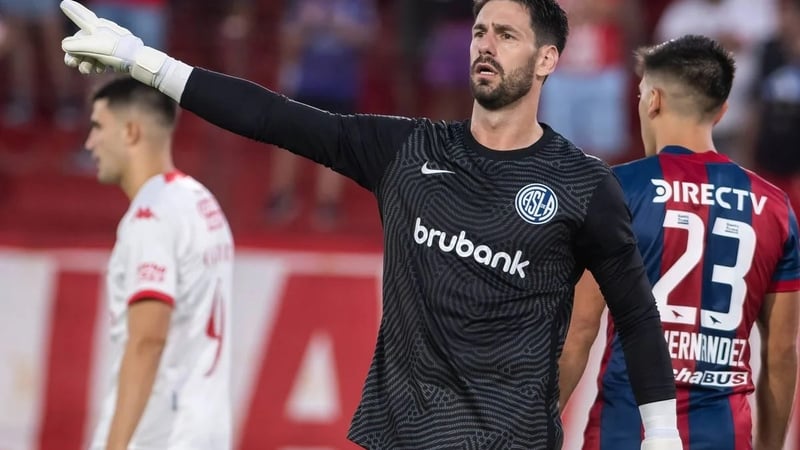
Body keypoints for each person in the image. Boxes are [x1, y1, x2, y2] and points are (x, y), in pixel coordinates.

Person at [58, 0, 682, 448]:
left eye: (507, 35)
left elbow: (635, 314)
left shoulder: (582, 184)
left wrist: (661, 433)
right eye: (479, 31)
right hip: (399, 436)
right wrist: (142, 60)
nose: (486, 45)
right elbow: (270, 117)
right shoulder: (406, 151)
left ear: (547, 59)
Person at [559, 35, 800, 449]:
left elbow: (579, 330)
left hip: (624, 433)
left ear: (653, 100)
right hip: (723, 436)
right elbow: (780, 353)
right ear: (721, 112)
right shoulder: (774, 207)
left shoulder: (619, 190)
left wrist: (532, 431)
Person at [83, 77, 234, 450]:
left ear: (130, 132)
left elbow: (148, 339)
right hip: (207, 428)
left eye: (98, 127)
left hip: (158, 434)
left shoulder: (151, 216)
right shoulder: (201, 200)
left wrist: (115, 445)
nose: (90, 142)